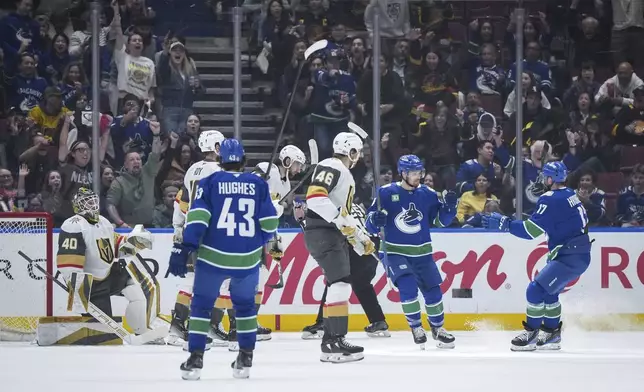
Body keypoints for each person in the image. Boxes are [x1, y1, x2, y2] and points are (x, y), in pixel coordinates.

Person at [168, 139, 278, 380]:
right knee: (246, 308)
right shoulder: (258, 184)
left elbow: (197, 220)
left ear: (220, 160)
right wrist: (259, 239)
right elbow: (270, 224)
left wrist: (185, 246)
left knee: (201, 306)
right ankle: (245, 356)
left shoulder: (210, 182)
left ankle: (195, 358)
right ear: (244, 160)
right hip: (248, 259)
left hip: (213, 257)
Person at [482, 161, 592, 351]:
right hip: (576, 253)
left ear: (550, 179)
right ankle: (551, 333)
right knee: (549, 292)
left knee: (535, 290)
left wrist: (505, 224)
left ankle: (531, 333)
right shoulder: (569, 194)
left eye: (545, 176)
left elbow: (530, 231)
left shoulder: (550, 198)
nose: (543, 180)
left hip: (569, 254)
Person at [366, 155, 458, 349]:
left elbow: (440, 221)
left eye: (420, 172)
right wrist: (376, 220)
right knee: (408, 287)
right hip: (394, 251)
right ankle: (416, 327)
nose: (419, 176)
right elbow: (370, 225)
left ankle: (438, 328)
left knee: (434, 292)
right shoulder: (385, 193)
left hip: (422, 252)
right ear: (403, 173)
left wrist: (450, 208)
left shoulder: (429, 194)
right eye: (415, 173)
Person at [304, 132, 375, 363]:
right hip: (323, 232)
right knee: (341, 283)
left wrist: (359, 238)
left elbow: (341, 214)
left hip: (328, 232)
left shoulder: (339, 170)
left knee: (341, 282)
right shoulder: (332, 166)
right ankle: (333, 340)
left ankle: (333, 339)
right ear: (351, 152)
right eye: (358, 152)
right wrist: (341, 222)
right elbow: (315, 198)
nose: (360, 157)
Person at [56, 188, 160, 343]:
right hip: (90, 284)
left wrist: (135, 243)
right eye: (87, 202)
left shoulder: (104, 222)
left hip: (109, 274)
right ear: (78, 205)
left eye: (94, 201)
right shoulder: (73, 225)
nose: (92, 204)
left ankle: (141, 332)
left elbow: (115, 248)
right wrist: (77, 291)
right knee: (103, 336)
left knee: (137, 292)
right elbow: (68, 262)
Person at [168, 129, 225, 349]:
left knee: (192, 280)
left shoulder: (193, 169)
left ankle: (177, 326)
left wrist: (178, 227)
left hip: (192, 228)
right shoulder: (218, 170)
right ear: (217, 148)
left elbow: (181, 202)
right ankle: (206, 327)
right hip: (212, 231)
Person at [300, 201, 390, 339]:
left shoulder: (331, 204)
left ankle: (323, 323)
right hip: (372, 243)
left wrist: (302, 221)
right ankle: (378, 321)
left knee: (335, 279)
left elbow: (326, 229)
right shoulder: (355, 204)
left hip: (356, 243)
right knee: (362, 284)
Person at [248, 144, 307, 342]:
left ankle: (251, 321)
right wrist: (267, 204)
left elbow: (275, 218)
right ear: (287, 160)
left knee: (260, 279)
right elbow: (249, 193)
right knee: (245, 279)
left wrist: (276, 249)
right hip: (248, 232)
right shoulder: (267, 169)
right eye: (297, 164)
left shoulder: (286, 185)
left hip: (263, 234)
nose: (299, 169)